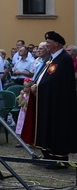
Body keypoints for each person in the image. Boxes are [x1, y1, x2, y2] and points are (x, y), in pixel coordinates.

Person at [31, 31, 77, 167]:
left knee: (58, 128)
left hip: (60, 102)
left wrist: (39, 87)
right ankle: (48, 155)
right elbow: (45, 76)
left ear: (56, 44)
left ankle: (58, 158)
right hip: (48, 99)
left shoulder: (64, 59)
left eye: (49, 43)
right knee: (47, 126)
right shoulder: (52, 58)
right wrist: (36, 84)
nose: (46, 46)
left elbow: (57, 81)